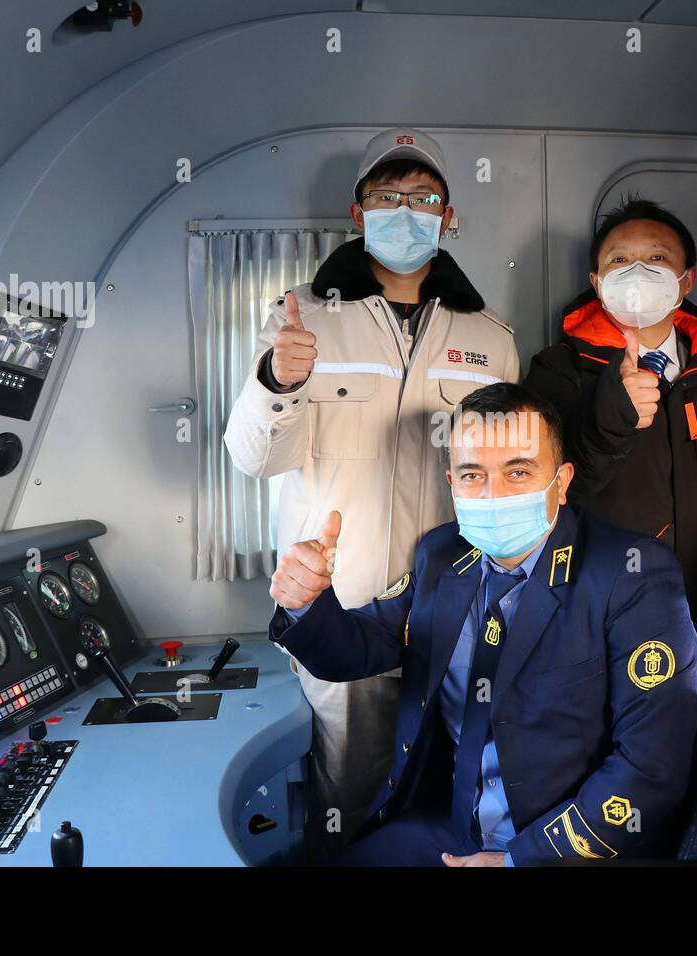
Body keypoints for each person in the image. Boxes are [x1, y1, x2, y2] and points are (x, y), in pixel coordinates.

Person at [223, 128, 520, 844]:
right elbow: (253, 458)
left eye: (423, 198)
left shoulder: (492, 336)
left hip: (451, 605)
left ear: (447, 217)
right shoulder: (303, 317)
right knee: (348, 802)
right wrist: (279, 380)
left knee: (458, 788)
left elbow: (508, 473)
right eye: (388, 196)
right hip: (345, 606)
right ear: (358, 213)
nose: (406, 210)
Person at [268, 383, 697, 865]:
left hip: (560, 848)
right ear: (452, 483)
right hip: (452, 830)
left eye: (518, 472)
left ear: (561, 481)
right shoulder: (443, 555)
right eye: (473, 474)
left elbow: (650, 767)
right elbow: (355, 648)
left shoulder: (631, 576)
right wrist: (307, 602)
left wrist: (519, 861)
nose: (493, 495)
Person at [524, 198, 697, 618]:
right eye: (620, 260)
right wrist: (612, 419)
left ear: (686, 280)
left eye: (657, 258)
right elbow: (545, 494)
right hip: (605, 606)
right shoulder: (559, 368)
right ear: (597, 280)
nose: (637, 272)